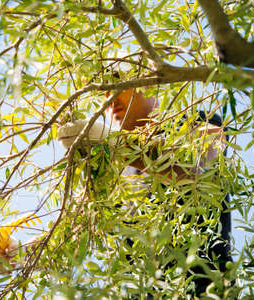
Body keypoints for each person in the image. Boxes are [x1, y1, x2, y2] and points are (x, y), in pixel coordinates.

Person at [58, 87, 232, 296]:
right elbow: (76, 234)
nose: (108, 98)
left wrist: (116, 144)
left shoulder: (196, 121)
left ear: (148, 83)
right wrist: (19, 253)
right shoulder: (119, 173)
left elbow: (195, 167)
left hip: (203, 291)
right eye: (103, 92)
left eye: (116, 84)